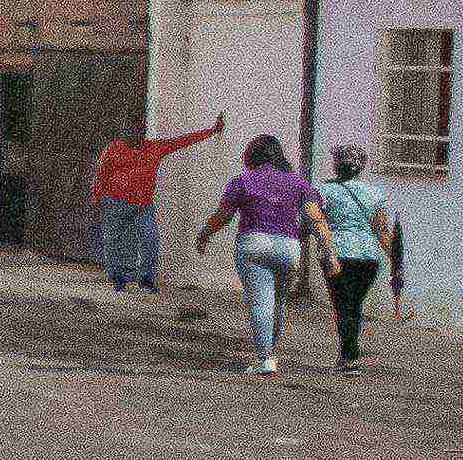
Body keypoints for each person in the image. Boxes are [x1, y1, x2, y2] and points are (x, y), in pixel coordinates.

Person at [194, 135, 327, 377]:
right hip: (288, 247)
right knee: (277, 303)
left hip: (253, 245)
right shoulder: (298, 183)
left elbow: (223, 215)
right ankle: (269, 352)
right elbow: (314, 216)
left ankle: (264, 357)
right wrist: (327, 249)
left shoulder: (242, 181)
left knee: (260, 303)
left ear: (251, 155)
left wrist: (204, 234)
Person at [88, 117, 222, 297]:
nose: (133, 135)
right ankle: (118, 277)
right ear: (123, 132)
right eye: (129, 131)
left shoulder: (154, 147)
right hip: (116, 202)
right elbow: (102, 174)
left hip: (143, 204)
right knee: (115, 241)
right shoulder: (113, 149)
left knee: (150, 238)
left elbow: (182, 141)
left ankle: (146, 278)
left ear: (142, 134)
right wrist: (96, 196)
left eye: (137, 132)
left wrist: (212, 131)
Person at [309, 145, 406, 370]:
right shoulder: (374, 193)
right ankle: (350, 353)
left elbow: (316, 221)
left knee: (343, 304)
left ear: (337, 165)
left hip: (338, 253)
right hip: (369, 257)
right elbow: (382, 231)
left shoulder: (323, 190)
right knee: (354, 304)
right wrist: (395, 262)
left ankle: (349, 357)